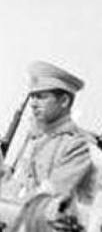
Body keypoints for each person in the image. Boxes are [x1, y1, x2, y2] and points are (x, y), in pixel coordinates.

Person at [0, 61, 93, 205]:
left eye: (41, 97)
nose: (33, 103)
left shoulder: (78, 145)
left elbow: (48, 200)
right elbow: (17, 187)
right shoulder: (35, 138)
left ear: (64, 101)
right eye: (33, 97)